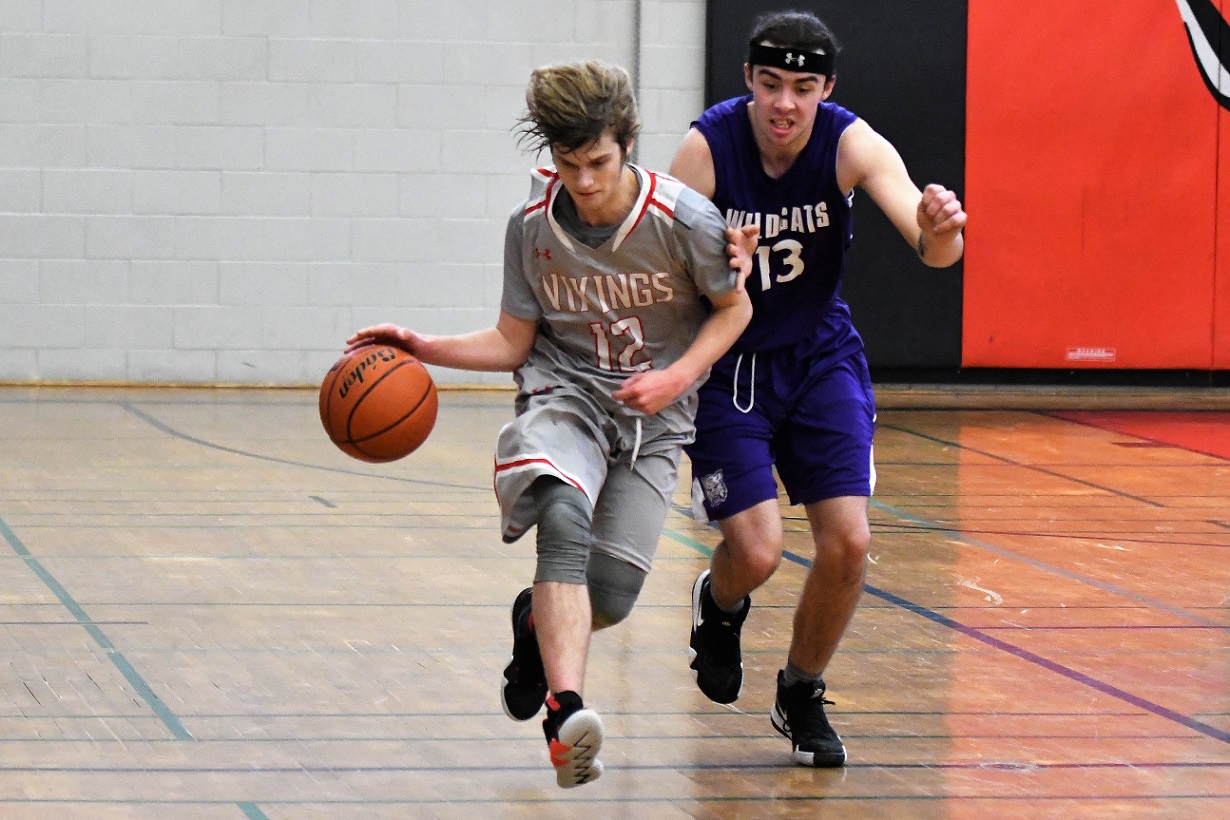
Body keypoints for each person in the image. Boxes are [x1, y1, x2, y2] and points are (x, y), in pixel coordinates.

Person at [347, 61, 754, 789]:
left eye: (598, 161)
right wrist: (421, 347)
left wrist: (675, 375)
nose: (586, 180)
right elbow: (512, 341)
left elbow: (736, 310)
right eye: (569, 164)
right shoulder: (531, 229)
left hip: (653, 420)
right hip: (563, 396)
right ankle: (567, 717)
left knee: (614, 596)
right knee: (563, 515)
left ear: (627, 143)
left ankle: (536, 626)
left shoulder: (686, 220)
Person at [669, 11, 967, 768]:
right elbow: (658, 274)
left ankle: (801, 691)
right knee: (759, 552)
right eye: (771, 85)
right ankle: (721, 601)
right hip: (732, 361)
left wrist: (941, 227)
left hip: (820, 358)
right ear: (748, 82)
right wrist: (712, 268)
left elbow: (934, 251)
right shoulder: (706, 151)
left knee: (850, 543)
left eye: (803, 88)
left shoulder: (851, 143)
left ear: (826, 90)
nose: (784, 104)